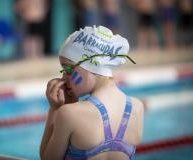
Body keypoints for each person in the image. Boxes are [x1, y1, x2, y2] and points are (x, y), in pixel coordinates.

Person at [40, 26, 144, 160]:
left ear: (90, 65)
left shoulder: (69, 114)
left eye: (68, 69)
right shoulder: (137, 107)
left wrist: (54, 109)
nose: (64, 78)